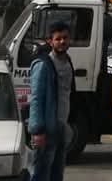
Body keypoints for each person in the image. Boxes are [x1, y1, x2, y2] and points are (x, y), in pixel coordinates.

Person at [28, 22, 76, 181]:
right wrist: (37, 131)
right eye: (58, 38)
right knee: (41, 173)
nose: (62, 41)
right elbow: (36, 99)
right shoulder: (43, 65)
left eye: (65, 38)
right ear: (50, 41)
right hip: (47, 129)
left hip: (62, 127)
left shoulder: (68, 62)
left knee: (57, 173)